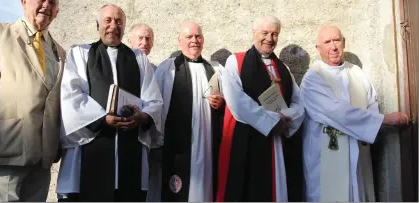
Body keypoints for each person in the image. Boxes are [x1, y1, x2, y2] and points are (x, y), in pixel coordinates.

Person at [55, 4, 163, 202]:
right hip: (89, 150)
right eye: (108, 20)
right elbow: (71, 95)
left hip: (130, 154)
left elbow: (154, 99)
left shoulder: (138, 58)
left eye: (119, 21)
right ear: (98, 25)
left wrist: (144, 116)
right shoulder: (80, 54)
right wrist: (103, 120)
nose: (114, 25)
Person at [301, 25, 410, 202]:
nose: (333, 47)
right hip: (329, 156)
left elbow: (371, 102)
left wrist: (375, 119)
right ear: (318, 48)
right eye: (327, 42)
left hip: (358, 153)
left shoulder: (356, 72)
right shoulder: (313, 78)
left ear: (343, 42)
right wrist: (385, 119)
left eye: (336, 40)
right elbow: (338, 113)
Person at [216, 15, 305, 202]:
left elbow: (299, 102)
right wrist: (271, 121)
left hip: (278, 140)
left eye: (274, 34)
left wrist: (285, 116)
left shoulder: (283, 68)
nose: (269, 39)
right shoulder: (237, 61)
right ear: (253, 33)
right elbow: (236, 101)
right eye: (264, 33)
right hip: (248, 139)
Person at [0, 0, 65, 202]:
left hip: (43, 157)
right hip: (5, 149)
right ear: (24, 2)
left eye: (52, 3)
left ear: (57, 12)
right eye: (41, 0)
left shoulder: (59, 52)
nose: (46, 6)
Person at [155, 21, 225, 202]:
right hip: (178, 146)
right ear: (180, 40)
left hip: (208, 143)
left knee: (207, 188)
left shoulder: (216, 69)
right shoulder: (168, 68)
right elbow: (155, 105)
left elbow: (231, 102)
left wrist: (221, 102)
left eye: (198, 36)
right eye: (189, 37)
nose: (195, 40)